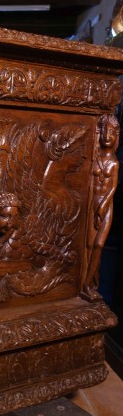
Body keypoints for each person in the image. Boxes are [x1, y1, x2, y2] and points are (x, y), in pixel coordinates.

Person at [82, 114, 120, 300]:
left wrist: (103, 206)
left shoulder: (114, 162)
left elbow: (112, 187)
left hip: (105, 206)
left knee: (98, 244)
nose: (107, 136)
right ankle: (86, 282)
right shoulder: (94, 158)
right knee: (88, 245)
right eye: (104, 131)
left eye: (111, 133)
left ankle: (89, 285)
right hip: (91, 204)